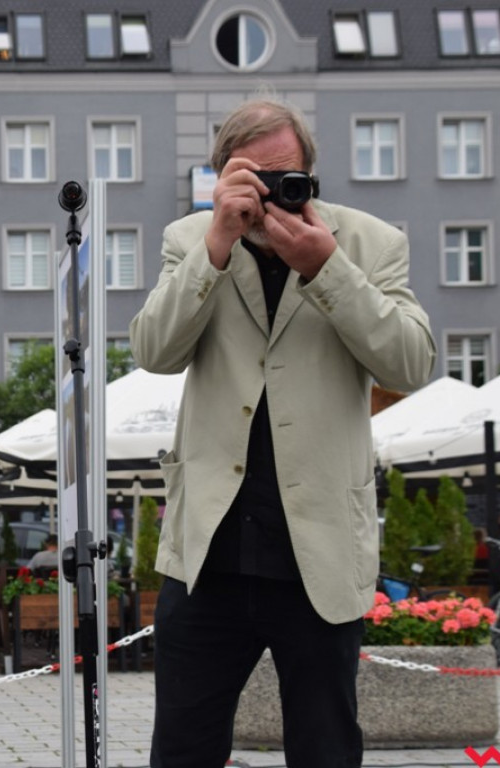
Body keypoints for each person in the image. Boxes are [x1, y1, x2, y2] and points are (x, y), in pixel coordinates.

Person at [129, 98, 435, 768]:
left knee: (326, 749)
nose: (273, 195)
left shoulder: (369, 243)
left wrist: (329, 269)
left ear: (311, 175)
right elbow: (153, 351)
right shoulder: (190, 240)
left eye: (287, 177)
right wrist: (215, 246)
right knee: (181, 749)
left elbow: (412, 362)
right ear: (223, 176)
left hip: (318, 550)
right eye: (256, 178)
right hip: (208, 552)